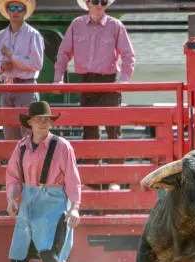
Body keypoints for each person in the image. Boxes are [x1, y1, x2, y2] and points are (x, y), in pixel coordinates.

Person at [0, 101, 82, 262]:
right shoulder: (21, 147)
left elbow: (72, 179)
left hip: (53, 201)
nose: (43, 122)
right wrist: (12, 198)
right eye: (38, 119)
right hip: (29, 202)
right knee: (18, 252)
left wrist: (75, 207)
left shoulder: (62, 147)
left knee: (47, 250)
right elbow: (13, 177)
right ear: (29, 123)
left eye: (46, 119)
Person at [54, 0, 135, 160]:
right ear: (87, 3)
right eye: (95, 1)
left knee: (113, 129)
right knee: (89, 129)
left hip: (110, 83)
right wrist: (58, 79)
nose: (99, 5)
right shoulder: (76, 24)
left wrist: (123, 80)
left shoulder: (116, 25)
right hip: (86, 82)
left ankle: (115, 179)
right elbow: (63, 53)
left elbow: (128, 56)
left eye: (103, 2)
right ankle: (93, 181)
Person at [0, 0, 44, 140]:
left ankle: (28, 162)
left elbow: (37, 64)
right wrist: (2, 66)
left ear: (25, 11)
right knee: (9, 134)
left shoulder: (34, 35)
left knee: (29, 134)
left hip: (26, 87)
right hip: (7, 87)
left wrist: (12, 57)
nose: (15, 11)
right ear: (7, 11)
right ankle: (15, 162)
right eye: (12, 7)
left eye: (19, 8)